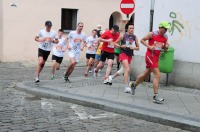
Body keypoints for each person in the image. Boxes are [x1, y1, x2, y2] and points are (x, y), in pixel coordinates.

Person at [130, 21, 170, 103]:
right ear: (160, 28)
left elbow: (164, 50)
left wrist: (166, 47)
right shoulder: (152, 34)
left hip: (156, 57)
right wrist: (149, 46)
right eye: (165, 29)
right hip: (149, 56)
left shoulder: (165, 37)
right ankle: (156, 96)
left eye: (167, 29)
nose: (166, 30)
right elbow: (142, 40)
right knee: (157, 74)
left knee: (146, 73)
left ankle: (133, 85)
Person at [109, 23, 139, 93]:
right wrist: (120, 46)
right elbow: (115, 43)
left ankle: (111, 77)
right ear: (127, 29)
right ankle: (126, 87)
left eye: (133, 28)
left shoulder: (135, 37)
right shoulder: (123, 36)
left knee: (122, 70)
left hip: (130, 55)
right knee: (127, 70)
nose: (132, 29)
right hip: (123, 54)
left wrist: (133, 48)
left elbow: (138, 48)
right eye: (130, 28)